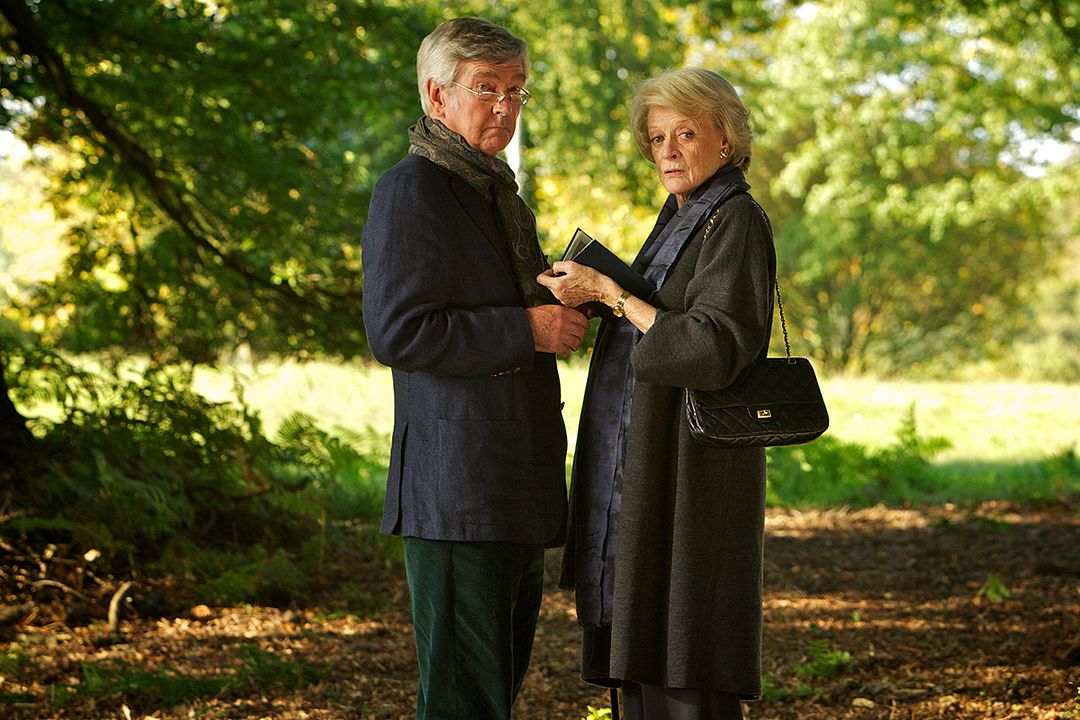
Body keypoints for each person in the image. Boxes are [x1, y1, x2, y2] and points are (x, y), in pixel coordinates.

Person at [360, 17, 588, 720]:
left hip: (510, 481)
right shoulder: (413, 190)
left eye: (517, 91)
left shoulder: (494, 193)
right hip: (458, 490)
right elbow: (400, 331)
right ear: (437, 95)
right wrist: (529, 327)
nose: (505, 107)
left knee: (491, 695)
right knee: (464, 702)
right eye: (487, 89)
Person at [537, 67, 774, 720]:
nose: (667, 151)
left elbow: (715, 346)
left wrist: (614, 296)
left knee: (685, 657)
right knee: (644, 654)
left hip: (693, 471)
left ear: (725, 138)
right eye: (657, 137)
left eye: (685, 134)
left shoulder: (736, 219)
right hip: (650, 466)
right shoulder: (681, 217)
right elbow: (662, 318)